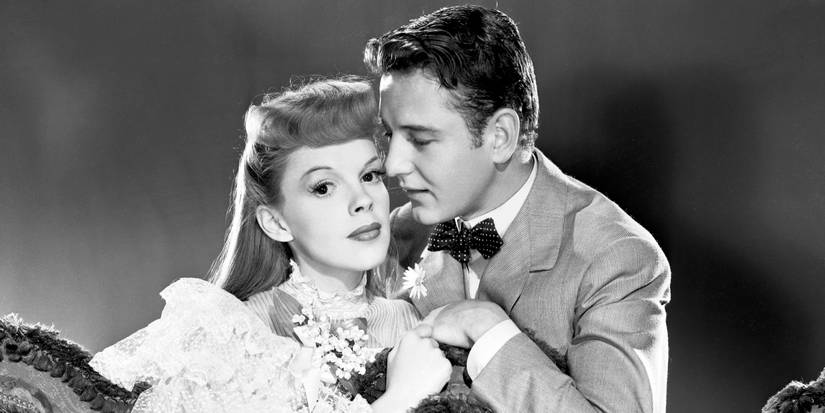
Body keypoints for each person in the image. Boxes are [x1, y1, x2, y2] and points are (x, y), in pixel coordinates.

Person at [365, 5, 671, 412]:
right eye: (390, 134)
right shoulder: (397, 233)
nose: (392, 164)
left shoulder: (616, 257)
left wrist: (490, 333)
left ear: (501, 136)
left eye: (420, 139)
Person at [91, 77, 451, 412]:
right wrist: (399, 398)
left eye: (369, 175)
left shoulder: (412, 319)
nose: (362, 200)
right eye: (324, 187)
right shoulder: (234, 333)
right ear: (276, 222)